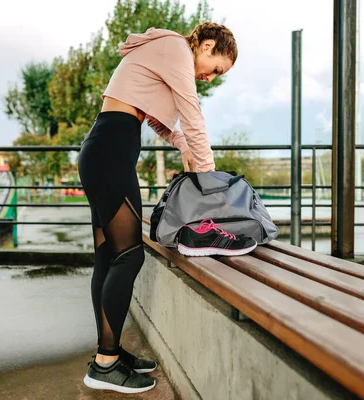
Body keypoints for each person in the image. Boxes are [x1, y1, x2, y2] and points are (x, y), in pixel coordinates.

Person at [78, 22, 249, 394]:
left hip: (106, 148)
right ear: (206, 46)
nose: (210, 78)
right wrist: (210, 183)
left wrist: (181, 144)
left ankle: (108, 352)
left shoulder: (166, 52)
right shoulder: (175, 49)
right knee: (129, 256)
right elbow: (192, 113)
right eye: (216, 68)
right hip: (110, 153)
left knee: (109, 256)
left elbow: (153, 116)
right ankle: (105, 365)